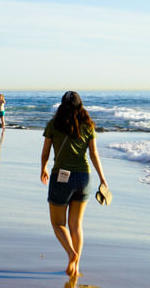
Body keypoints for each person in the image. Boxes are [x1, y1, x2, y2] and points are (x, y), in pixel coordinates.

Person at [40, 91, 108, 277]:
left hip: (61, 178)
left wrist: (43, 168)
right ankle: (76, 268)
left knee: (57, 223)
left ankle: (71, 253)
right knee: (76, 225)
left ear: (62, 105)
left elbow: (45, 152)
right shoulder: (88, 126)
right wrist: (102, 178)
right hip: (83, 177)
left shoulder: (53, 125)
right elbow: (93, 154)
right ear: (80, 106)